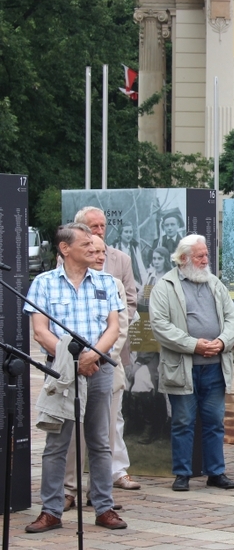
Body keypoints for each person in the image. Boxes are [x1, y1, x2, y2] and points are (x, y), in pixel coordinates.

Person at [25, 223, 127, 532]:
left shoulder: (106, 282)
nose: (93, 249)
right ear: (65, 249)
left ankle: (104, 507)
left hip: (99, 369)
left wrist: (92, 355)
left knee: (99, 440)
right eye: (85, 244)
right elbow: (40, 331)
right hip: (62, 372)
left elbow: (113, 327)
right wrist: (73, 361)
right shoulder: (43, 283)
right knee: (57, 442)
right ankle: (51, 510)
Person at [149, 235, 234, 492]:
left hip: (214, 367)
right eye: (200, 256)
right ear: (184, 258)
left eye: (206, 255)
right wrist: (193, 345)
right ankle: (182, 474)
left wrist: (222, 342)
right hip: (182, 367)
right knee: (183, 421)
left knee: (214, 421)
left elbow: (232, 319)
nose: (205, 260)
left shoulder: (215, 284)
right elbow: (160, 326)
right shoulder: (165, 286)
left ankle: (216, 472)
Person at [60, 237, 134, 513]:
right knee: (72, 435)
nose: (100, 255)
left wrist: (98, 359)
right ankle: (69, 489)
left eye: (104, 251)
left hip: (106, 369)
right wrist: (80, 361)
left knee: (105, 436)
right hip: (73, 368)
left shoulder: (112, 285)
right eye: (94, 250)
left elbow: (120, 330)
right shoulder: (63, 282)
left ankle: (99, 493)